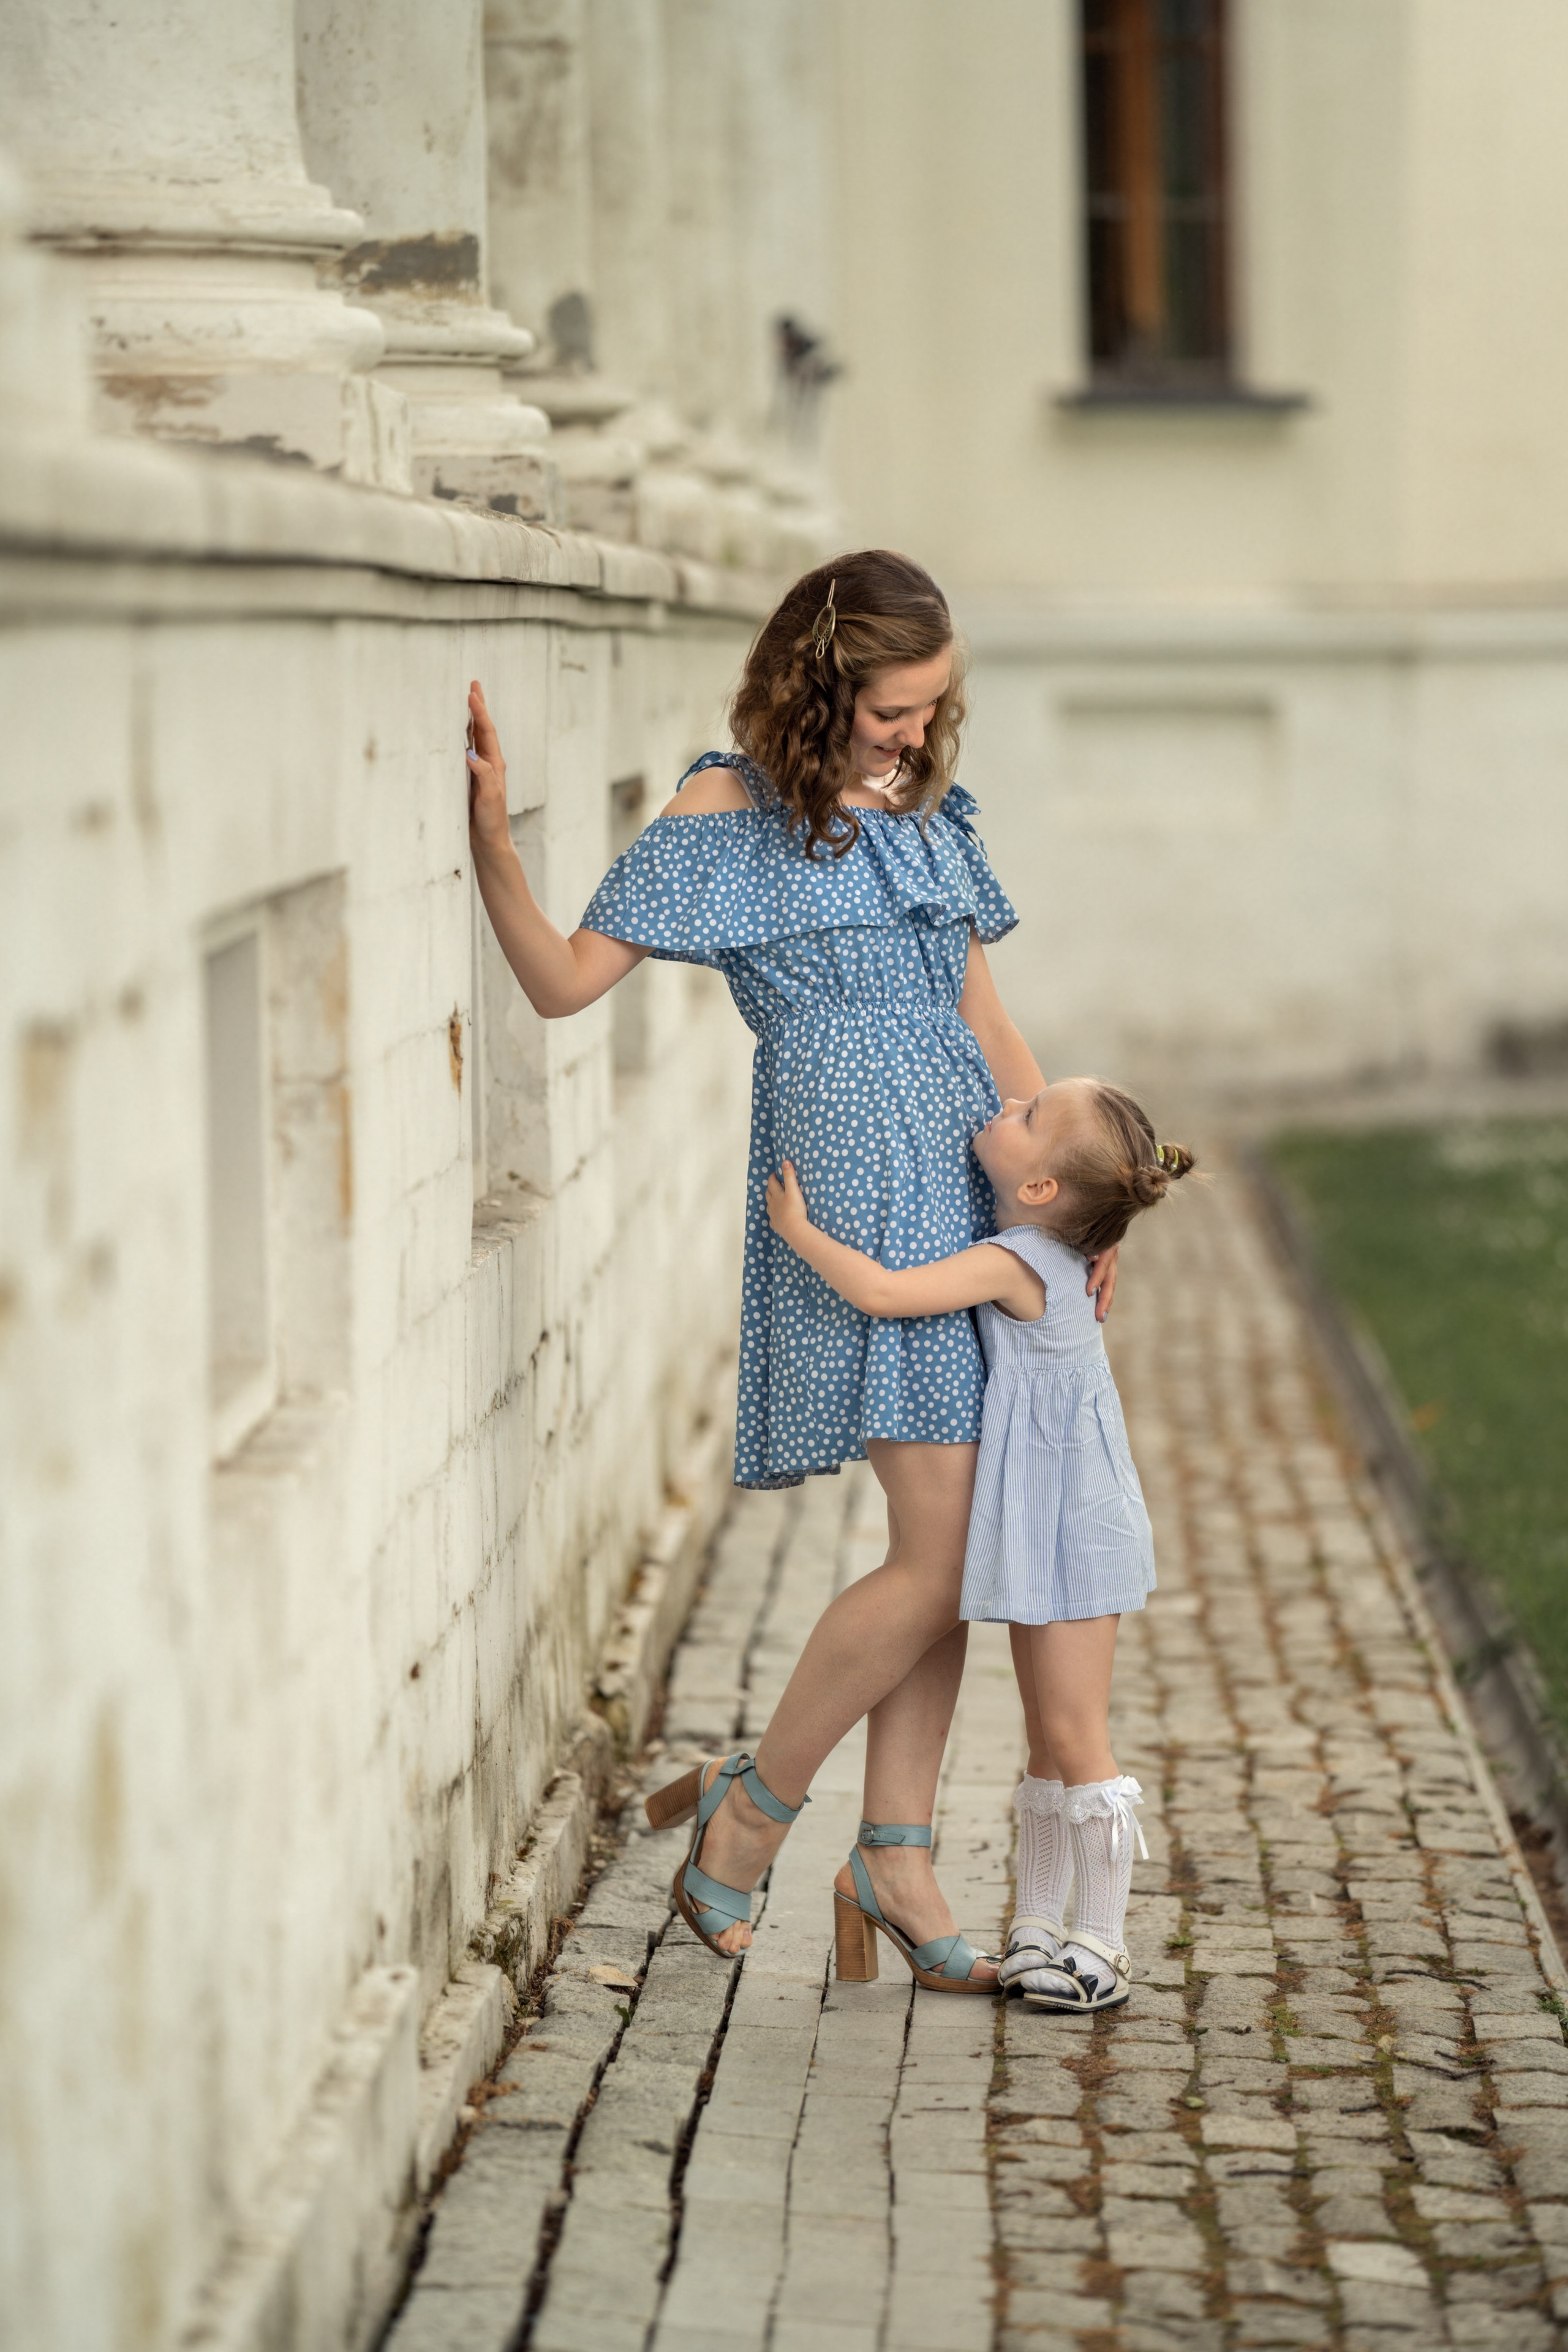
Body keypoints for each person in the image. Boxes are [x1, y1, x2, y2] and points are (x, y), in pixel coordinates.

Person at [465, 549, 1117, 1990]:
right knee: (941, 1553)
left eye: (931, 709)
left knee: (946, 1554)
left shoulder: (929, 816)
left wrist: (1065, 1224)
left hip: (966, 1175)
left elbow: (988, 1023)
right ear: (820, 682)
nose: (915, 735)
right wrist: (497, 850)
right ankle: (754, 1818)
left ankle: (885, 1847)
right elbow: (565, 982)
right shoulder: (724, 813)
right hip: (851, 1187)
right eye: (893, 710)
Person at [766, 1076, 1194, 2010]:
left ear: (1040, 1189)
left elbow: (885, 1292)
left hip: (1073, 1527)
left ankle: (1106, 1940)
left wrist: (797, 1232)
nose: (1007, 1107)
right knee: (1047, 1739)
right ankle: (1039, 1926)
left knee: (1078, 1737)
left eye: (1029, 1117)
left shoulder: (1016, 1260)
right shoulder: (1057, 1248)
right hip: (1050, 1521)